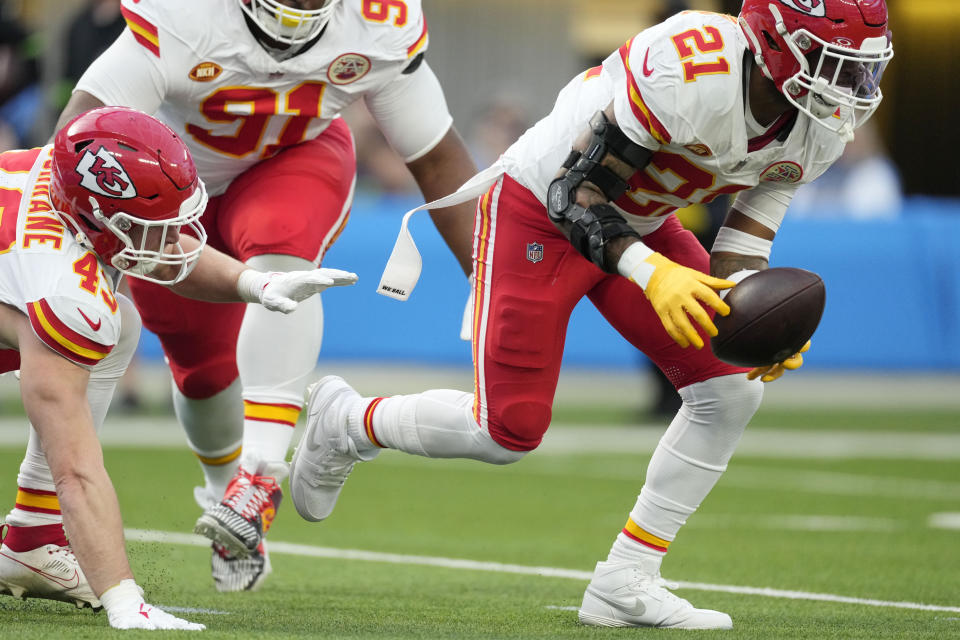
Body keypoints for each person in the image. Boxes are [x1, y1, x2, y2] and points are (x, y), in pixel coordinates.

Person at [289, 0, 893, 630]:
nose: (849, 86)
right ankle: (348, 421)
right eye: (833, 63)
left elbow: (743, 241)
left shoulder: (817, 125)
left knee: (729, 390)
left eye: (862, 69)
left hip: (639, 221)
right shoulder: (691, 67)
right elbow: (576, 195)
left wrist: (752, 310)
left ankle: (626, 580)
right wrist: (652, 274)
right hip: (539, 207)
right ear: (774, 44)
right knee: (506, 431)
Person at [55, 0, 478, 592]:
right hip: (168, 189)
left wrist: (490, 279)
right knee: (200, 370)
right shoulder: (186, 15)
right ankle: (224, 479)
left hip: (293, 158)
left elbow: (435, 155)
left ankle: (258, 474)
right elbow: (76, 136)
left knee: (286, 254)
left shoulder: (377, 23)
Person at [0, 106, 356, 629]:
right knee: (98, 329)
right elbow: (75, 471)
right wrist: (124, 601)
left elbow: (164, 250)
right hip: (47, 284)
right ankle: (38, 537)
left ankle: (32, 535)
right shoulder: (66, 292)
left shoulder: (51, 168)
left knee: (118, 322)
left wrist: (257, 284)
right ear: (101, 221)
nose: (173, 238)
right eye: (152, 227)